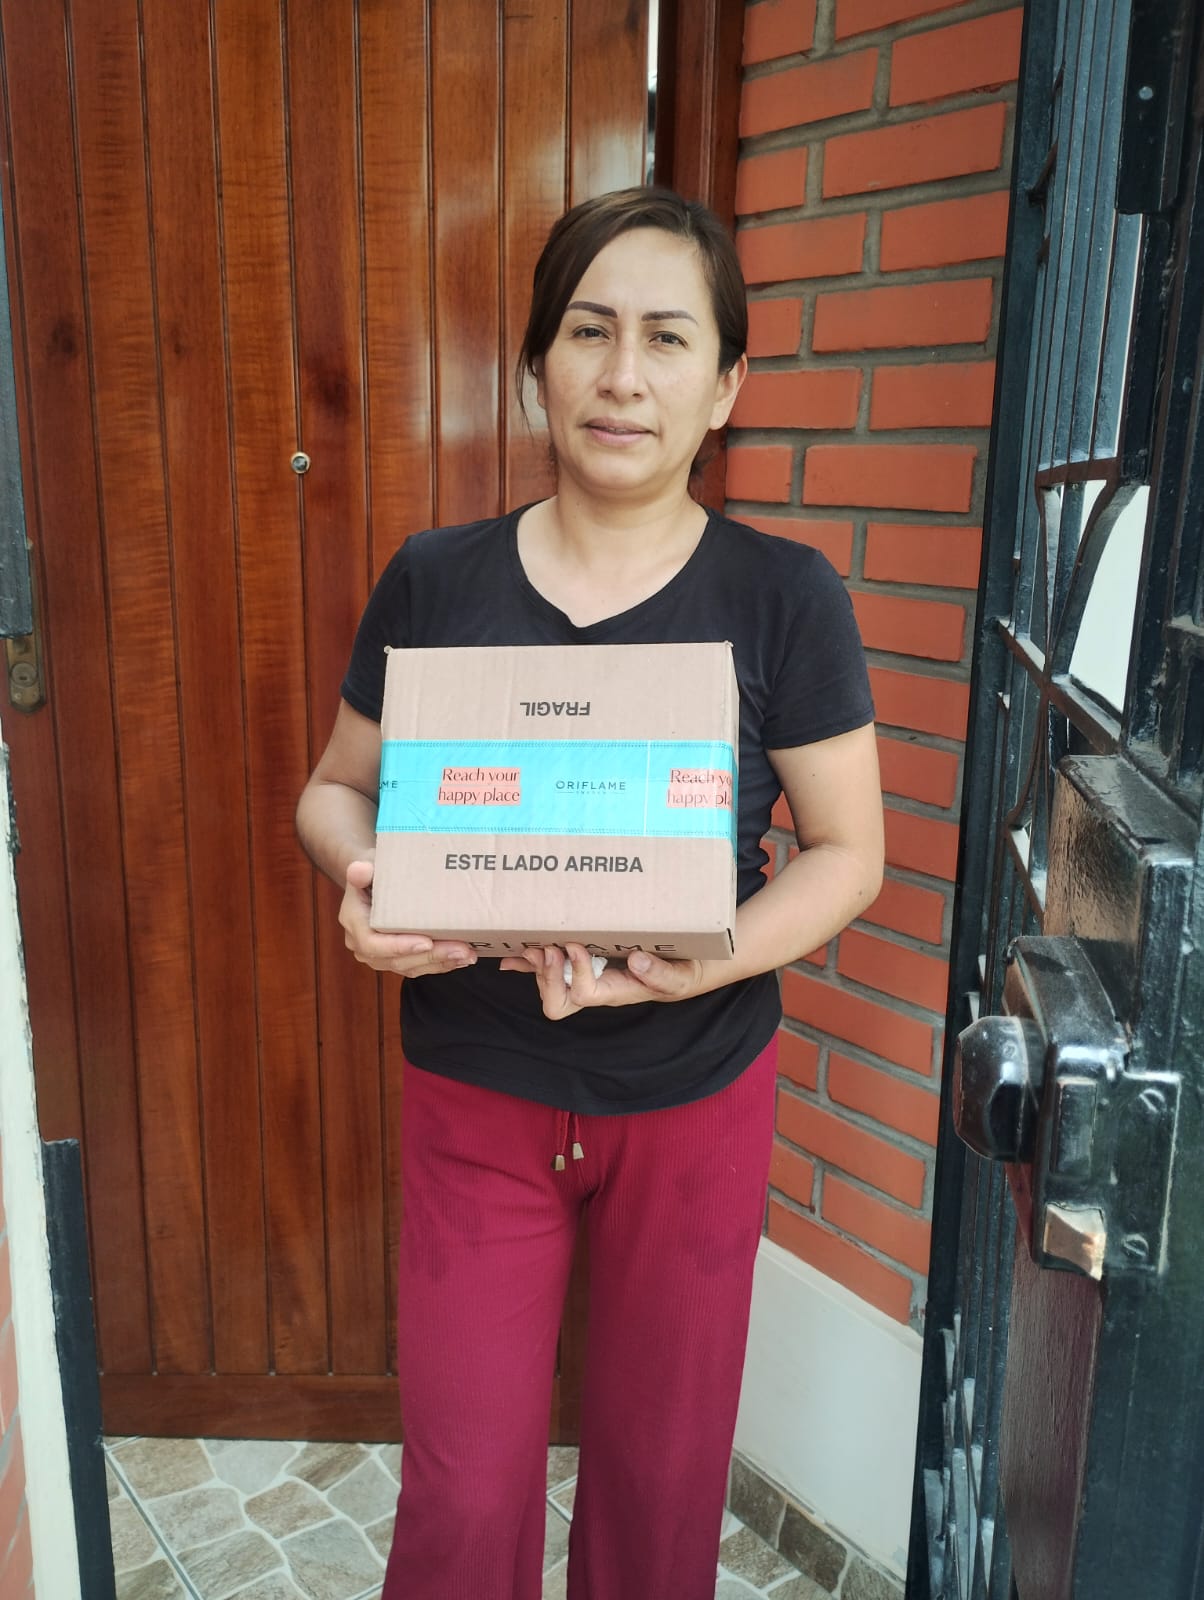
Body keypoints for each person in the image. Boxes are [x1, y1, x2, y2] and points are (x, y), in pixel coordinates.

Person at [296, 186, 883, 1600]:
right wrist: (367, 883)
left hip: (694, 1094)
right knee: (462, 1492)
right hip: (477, 1089)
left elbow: (848, 852)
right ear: (535, 369)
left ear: (725, 386)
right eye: (590, 330)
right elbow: (333, 792)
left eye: (669, 339)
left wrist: (712, 955)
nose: (625, 375)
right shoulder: (436, 581)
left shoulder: (785, 597)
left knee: (660, 1489)